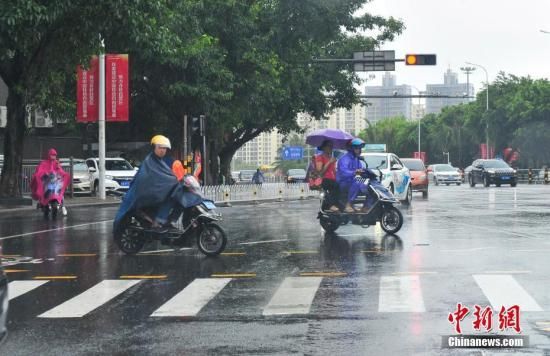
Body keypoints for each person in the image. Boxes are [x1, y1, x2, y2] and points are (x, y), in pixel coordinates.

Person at [114, 135, 181, 233]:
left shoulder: (163, 161)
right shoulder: (150, 162)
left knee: (177, 196)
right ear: (154, 148)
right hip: (146, 193)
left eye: (164, 148)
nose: (162, 150)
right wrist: (173, 182)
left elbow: (167, 175)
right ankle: (159, 221)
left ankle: (167, 221)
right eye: (160, 148)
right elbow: (153, 178)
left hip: (156, 192)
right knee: (170, 198)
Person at [336, 138, 375, 213]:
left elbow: (360, 170)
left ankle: (366, 206)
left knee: (370, 184)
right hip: (343, 182)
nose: (359, 150)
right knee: (357, 182)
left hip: (354, 180)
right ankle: (348, 205)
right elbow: (343, 173)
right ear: (351, 148)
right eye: (357, 148)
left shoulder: (356, 159)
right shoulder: (344, 159)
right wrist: (354, 172)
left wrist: (366, 172)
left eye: (360, 148)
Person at [31, 148, 70, 216]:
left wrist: (64, 175)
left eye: (54, 155)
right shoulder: (44, 163)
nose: (53, 157)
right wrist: (43, 174)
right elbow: (39, 171)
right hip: (47, 182)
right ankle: (42, 203)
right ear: (49, 155)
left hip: (55, 182)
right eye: (52, 155)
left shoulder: (56, 163)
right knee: (42, 190)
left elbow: (60, 171)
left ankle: (62, 205)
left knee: (60, 192)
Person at [314, 140, 339, 212]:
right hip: (324, 179)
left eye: (331, 146)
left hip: (332, 179)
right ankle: (331, 205)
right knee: (334, 186)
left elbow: (334, 171)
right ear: (324, 148)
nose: (331, 148)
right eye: (329, 146)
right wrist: (329, 162)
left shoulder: (331, 157)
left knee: (341, 186)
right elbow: (320, 172)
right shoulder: (320, 157)